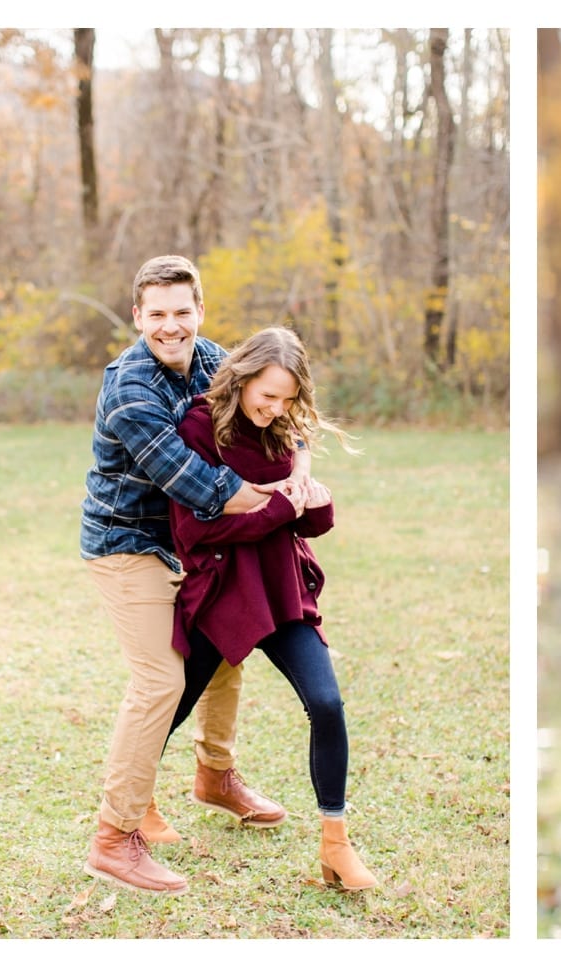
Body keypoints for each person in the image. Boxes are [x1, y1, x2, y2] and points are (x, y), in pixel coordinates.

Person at [81, 256, 308, 895]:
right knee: (160, 680)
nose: (171, 326)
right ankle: (113, 838)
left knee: (229, 646)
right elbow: (197, 482)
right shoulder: (129, 388)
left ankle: (214, 777)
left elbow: (284, 410)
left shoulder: (216, 362)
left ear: (200, 311)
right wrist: (284, 500)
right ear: (138, 317)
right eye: (157, 314)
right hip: (129, 544)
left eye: (182, 311)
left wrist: (300, 467)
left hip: (192, 545)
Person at [163, 326, 378, 891]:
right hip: (222, 593)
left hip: (281, 589)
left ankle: (335, 843)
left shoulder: (283, 432)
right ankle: (129, 811)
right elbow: (195, 529)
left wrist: (314, 501)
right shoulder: (197, 428)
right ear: (242, 377)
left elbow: (305, 522)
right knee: (171, 706)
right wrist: (280, 506)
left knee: (327, 703)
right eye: (267, 395)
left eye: (287, 399)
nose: (275, 408)